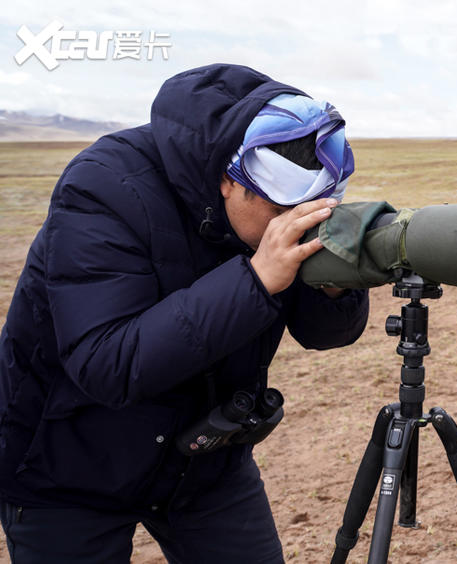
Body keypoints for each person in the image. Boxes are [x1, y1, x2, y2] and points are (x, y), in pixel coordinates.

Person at [0, 64, 369, 563]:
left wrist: (331, 286)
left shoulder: (270, 209)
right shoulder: (103, 187)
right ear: (226, 177)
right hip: (67, 465)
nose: (291, 224)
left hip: (204, 456)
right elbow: (106, 364)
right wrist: (256, 279)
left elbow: (327, 334)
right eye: (282, 209)